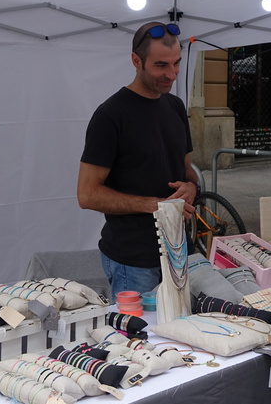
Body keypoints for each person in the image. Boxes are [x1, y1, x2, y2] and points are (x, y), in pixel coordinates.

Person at [77, 21, 198, 298]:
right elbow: (87, 194)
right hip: (132, 260)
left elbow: (186, 170)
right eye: (161, 65)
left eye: (176, 63)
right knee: (137, 327)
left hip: (178, 250)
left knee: (181, 324)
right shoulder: (110, 115)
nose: (172, 74)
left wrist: (192, 188)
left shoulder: (175, 106)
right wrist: (154, 206)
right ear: (136, 61)